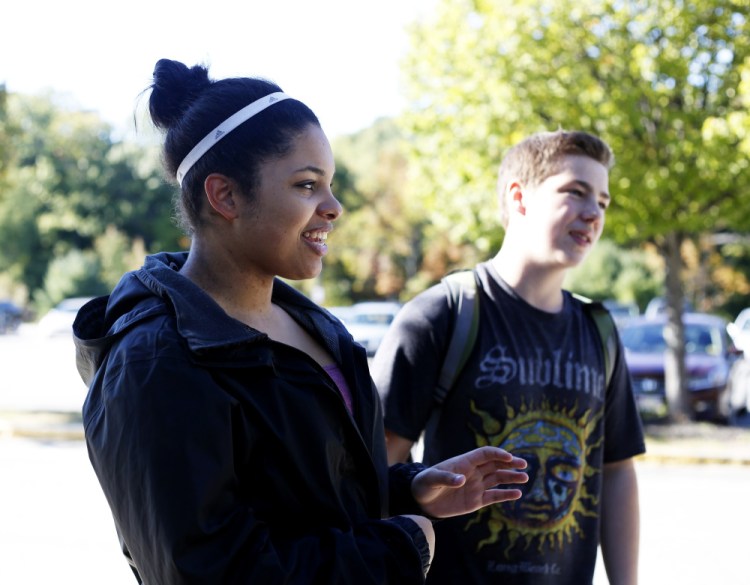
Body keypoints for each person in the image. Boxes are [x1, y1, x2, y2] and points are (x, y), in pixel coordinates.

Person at [72, 58, 529, 585]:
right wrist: (398, 547)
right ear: (225, 196)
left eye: (329, 185)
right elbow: (210, 571)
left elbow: (303, 495)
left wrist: (408, 488)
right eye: (307, 185)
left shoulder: (311, 326)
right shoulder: (157, 364)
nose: (334, 207)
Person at [372, 130, 646, 585]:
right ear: (519, 198)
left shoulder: (600, 330)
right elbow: (375, 470)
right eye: (575, 192)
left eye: (602, 201)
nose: (593, 212)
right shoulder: (442, 315)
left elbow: (616, 471)